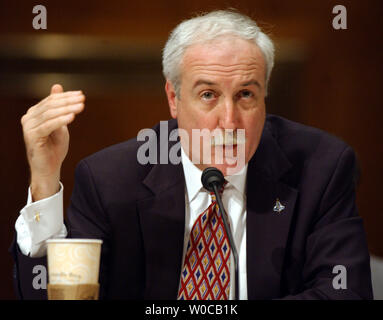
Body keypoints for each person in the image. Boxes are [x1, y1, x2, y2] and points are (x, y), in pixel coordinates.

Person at [10, 10, 373, 300]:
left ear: (265, 96)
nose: (229, 121)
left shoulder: (321, 168)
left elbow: (346, 291)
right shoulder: (111, 179)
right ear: (173, 98)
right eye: (208, 95)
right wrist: (44, 179)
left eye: (246, 94)